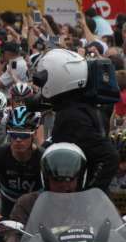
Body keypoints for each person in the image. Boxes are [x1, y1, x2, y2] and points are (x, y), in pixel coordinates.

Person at [31, 48, 119, 191]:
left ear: (59, 78)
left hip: (75, 197)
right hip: (69, 190)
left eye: (46, 77)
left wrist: (89, 193)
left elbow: (108, 157)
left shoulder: (71, 117)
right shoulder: (80, 104)